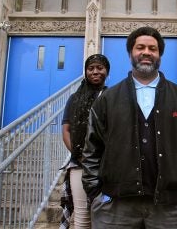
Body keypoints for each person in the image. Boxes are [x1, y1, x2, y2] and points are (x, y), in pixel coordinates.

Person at [81, 26, 177, 229]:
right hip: (115, 208)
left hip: (174, 208)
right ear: (130, 52)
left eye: (153, 48)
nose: (146, 52)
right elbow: (91, 150)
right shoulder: (107, 99)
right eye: (140, 47)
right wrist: (96, 194)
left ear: (159, 54)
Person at [60, 54, 110, 229]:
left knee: (106, 215)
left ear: (107, 71)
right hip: (79, 165)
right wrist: (79, 155)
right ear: (86, 72)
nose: (95, 71)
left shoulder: (113, 96)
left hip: (107, 167)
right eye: (91, 68)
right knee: (82, 218)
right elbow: (66, 130)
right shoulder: (75, 98)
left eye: (100, 68)